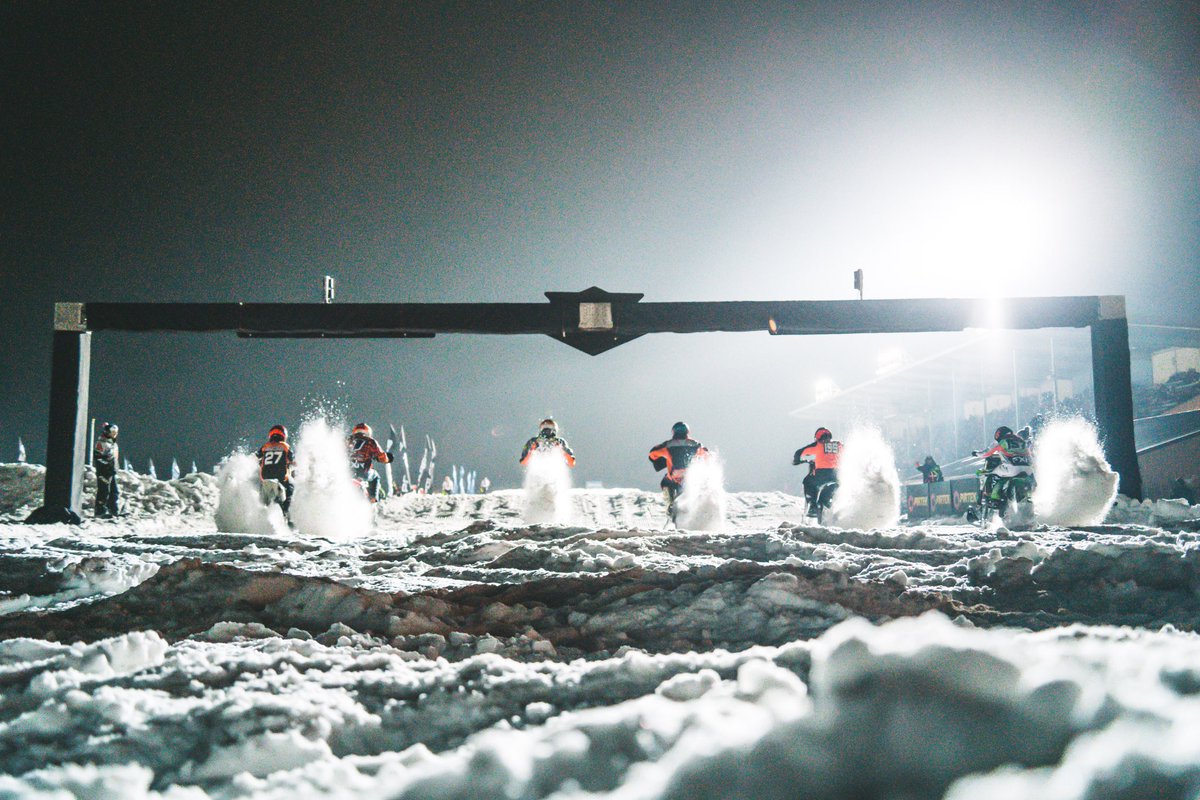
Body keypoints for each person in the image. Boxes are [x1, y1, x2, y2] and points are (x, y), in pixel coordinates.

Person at [648, 421, 709, 518]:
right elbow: (706, 454)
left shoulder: (668, 444)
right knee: (700, 486)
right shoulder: (695, 444)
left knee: (665, 483)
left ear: (674, 432)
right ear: (687, 432)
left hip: (675, 474)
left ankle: (670, 504)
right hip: (691, 475)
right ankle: (700, 507)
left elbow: (652, 453)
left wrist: (659, 459)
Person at [973, 425, 1034, 508]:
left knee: (992, 473)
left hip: (1011, 469)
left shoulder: (1001, 442)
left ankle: (994, 498)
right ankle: (1029, 495)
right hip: (1027, 469)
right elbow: (1030, 455)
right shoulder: (1022, 441)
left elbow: (986, 453)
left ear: (999, 435)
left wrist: (976, 454)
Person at [793, 427, 842, 515]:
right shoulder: (838, 445)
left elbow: (799, 453)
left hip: (821, 474)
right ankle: (825, 503)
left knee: (808, 482)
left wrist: (797, 461)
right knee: (834, 486)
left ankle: (813, 507)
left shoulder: (817, 445)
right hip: (836, 475)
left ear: (818, 438)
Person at [347, 423, 394, 502]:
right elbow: (382, 456)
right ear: (368, 433)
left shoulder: (347, 440)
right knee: (376, 476)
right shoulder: (370, 441)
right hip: (363, 472)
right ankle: (374, 499)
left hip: (347, 471)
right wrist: (387, 459)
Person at [256, 424, 295, 515]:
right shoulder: (285, 446)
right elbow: (293, 459)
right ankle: (287, 514)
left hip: (265, 477)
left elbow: (256, 457)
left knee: (258, 486)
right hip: (281, 477)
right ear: (284, 436)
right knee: (291, 487)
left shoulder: (265, 446)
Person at [94, 422, 120, 518]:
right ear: (107, 432)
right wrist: (106, 466)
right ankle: (100, 511)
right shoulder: (102, 443)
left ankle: (113, 509)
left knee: (114, 491)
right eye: (112, 432)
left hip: (111, 471)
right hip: (103, 471)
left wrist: (114, 468)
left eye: (115, 432)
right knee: (104, 491)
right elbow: (98, 457)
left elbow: (114, 458)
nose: (114, 434)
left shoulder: (113, 444)